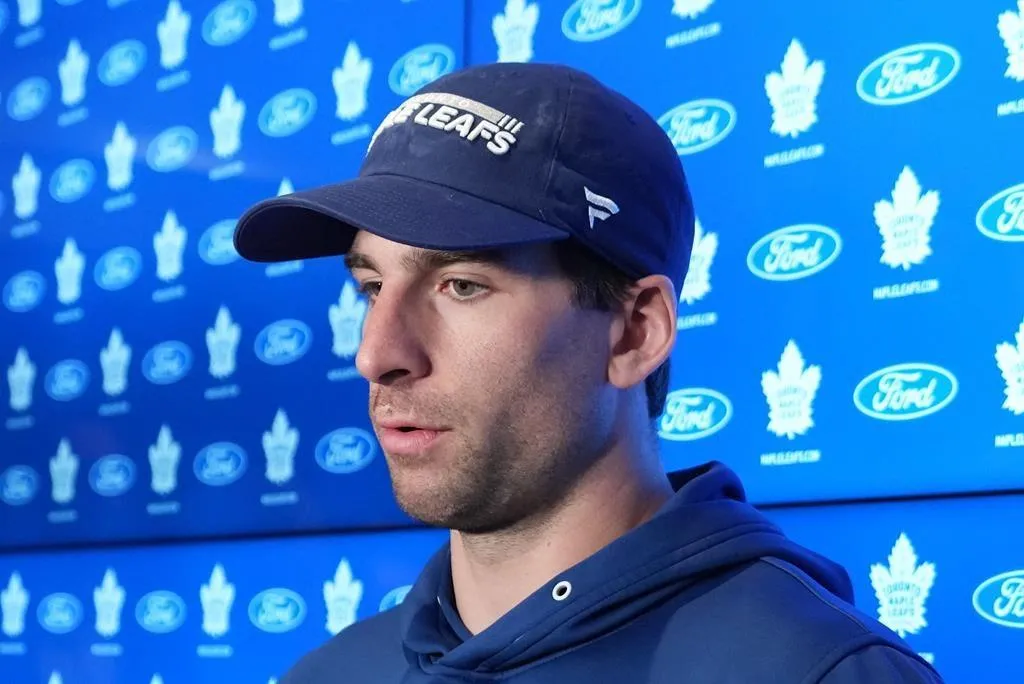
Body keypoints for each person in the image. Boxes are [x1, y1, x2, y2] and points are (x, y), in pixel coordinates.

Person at [233, 62, 945, 683]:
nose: (377, 354)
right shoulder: (333, 673)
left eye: (462, 285)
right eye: (372, 287)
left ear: (636, 331)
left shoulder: (817, 672)